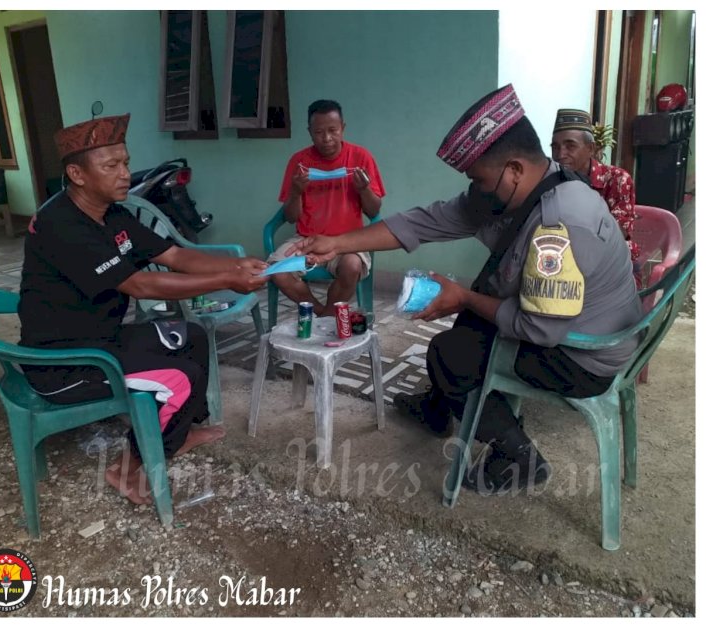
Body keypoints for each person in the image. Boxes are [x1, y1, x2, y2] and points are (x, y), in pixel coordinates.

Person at [288, 85, 642, 495]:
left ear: (512, 169)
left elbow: (540, 330)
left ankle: (518, 457)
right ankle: (438, 408)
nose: (473, 189)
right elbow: (424, 221)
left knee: (449, 353)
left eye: (479, 178)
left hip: (584, 356)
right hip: (568, 323)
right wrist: (339, 243)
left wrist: (462, 296)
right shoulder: (519, 189)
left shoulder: (560, 224)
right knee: (474, 311)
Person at [18, 113, 269, 505]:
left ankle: (180, 433)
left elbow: (173, 255)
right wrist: (227, 281)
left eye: (126, 163)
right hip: (64, 362)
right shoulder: (61, 224)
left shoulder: (112, 212)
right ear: (77, 174)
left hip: (103, 340)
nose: (124, 174)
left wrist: (237, 266)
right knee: (179, 378)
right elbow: (140, 284)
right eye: (111, 165)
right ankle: (127, 467)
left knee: (193, 337)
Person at [269, 99, 385, 317]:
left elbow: (373, 211)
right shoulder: (300, 161)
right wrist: (295, 192)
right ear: (310, 132)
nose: (327, 138)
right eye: (319, 132)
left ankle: (328, 315)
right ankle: (323, 313)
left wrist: (364, 190)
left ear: (343, 128)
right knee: (278, 271)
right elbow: (292, 217)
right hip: (307, 239)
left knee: (352, 266)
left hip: (349, 240)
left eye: (333, 130)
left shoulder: (360, 157)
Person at [550, 108, 640, 264]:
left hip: (614, 264)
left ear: (590, 148)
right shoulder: (553, 180)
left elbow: (617, 234)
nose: (560, 155)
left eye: (570, 146)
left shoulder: (617, 180)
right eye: (555, 147)